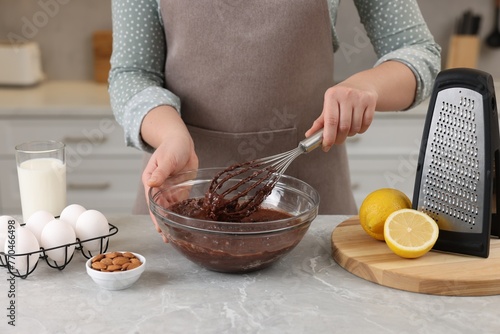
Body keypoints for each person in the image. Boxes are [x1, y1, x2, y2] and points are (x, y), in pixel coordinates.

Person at [109, 0, 441, 233]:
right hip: (181, 204)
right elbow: (132, 73)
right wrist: (171, 137)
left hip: (313, 213)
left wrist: (368, 85)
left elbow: (417, 50)